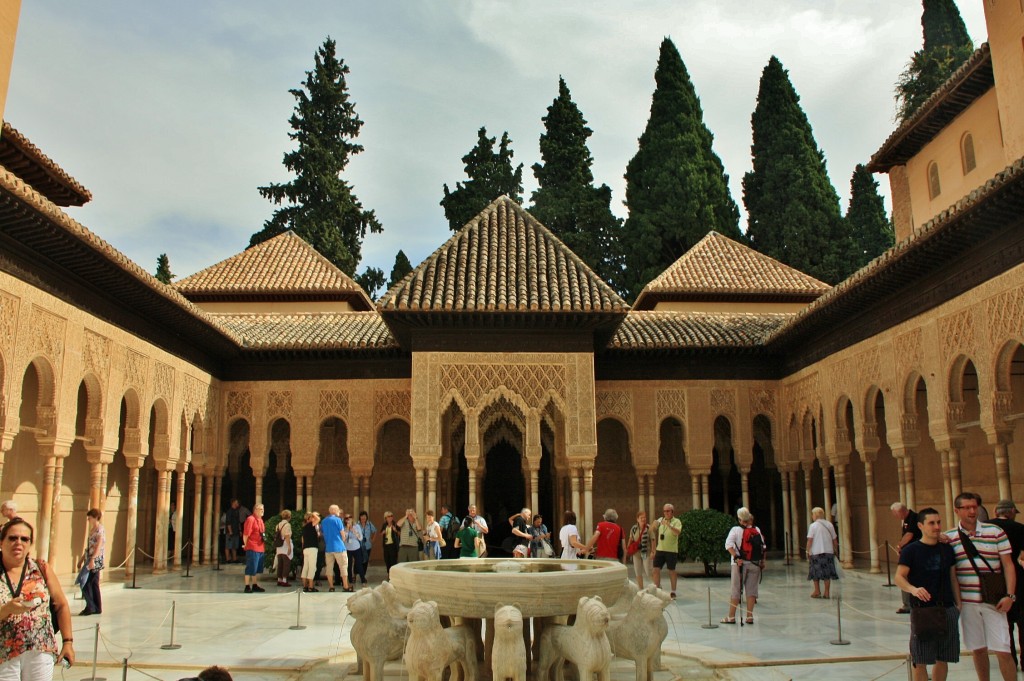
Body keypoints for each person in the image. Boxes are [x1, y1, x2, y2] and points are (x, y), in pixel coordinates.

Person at [947, 492, 1016, 681]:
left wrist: (1010, 596)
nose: (972, 511)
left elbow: (1008, 565)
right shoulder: (950, 537)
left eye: (974, 507)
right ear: (956, 510)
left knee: (1003, 650)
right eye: (967, 507)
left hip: (993, 600)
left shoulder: (995, 532)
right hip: (968, 603)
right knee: (978, 649)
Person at [0, 517, 75, 677]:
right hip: (3, 654)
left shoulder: (41, 568)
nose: (18, 543)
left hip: (40, 649)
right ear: (1, 542)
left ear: (30, 544)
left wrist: (68, 642)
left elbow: (61, 605)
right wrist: (7, 609)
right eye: (12, 538)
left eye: (24, 539)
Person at [895, 507, 961, 681]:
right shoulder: (911, 550)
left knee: (943, 658)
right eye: (931, 523)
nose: (937, 527)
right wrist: (913, 589)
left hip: (947, 608)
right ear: (920, 526)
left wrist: (958, 605)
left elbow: (953, 577)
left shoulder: (947, 549)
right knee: (920, 659)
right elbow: (899, 577)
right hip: (923, 610)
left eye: (938, 522)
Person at [989, 500, 1024, 669]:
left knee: (1003, 621)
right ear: (1011, 512)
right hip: (1018, 576)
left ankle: (1010, 661)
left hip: (993, 577)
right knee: (1022, 619)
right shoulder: (1020, 528)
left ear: (996, 511)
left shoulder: (986, 527)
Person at [722, 507, 765, 624]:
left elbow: (728, 545)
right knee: (752, 590)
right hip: (755, 563)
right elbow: (763, 546)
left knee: (736, 590)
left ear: (740, 519)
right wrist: (762, 561)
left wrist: (736, 557)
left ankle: (731, 617)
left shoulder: (735, 530)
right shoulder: (756, 529)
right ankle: (749, 616)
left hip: (739, 564)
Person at [893, 502, 922, 614]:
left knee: (905, 577)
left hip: (914, 554)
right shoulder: (906, 519)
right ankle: (907, 604)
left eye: (895, 514)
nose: (895, 516)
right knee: (904, 577)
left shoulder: (913, 517)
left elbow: (909, 535)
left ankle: (909, 605)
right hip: (908, 553)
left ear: (901, 511)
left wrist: (899, 546)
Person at [806, 506, 839, 599]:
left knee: (815, 572)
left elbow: (810, 540)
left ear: (815, 515)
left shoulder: (813, 526)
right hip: (828, 552)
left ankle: (817, 591)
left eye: (812, 514)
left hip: (816, 552)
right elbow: (834, 539)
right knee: (827, 573)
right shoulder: (829, 524)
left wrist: (807, 550)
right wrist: (836, 550)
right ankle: (827, 592)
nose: (812, 516)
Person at [651, 503, 682, 599]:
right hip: (660, 549)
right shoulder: (661, 520)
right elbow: (651, 531)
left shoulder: (676, 521)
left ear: (672, 512)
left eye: (668, 511)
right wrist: (653, 525)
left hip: (671, 550)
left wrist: (670, 526)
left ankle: (673, 591)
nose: (666, 513)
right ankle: (657, 590)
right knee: (655, 569)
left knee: (671, 571)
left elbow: (678, 532)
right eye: (664, 511)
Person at [78, 508, 105, 615]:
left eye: (90, 517)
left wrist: (92, 560)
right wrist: (81, 559)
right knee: (93, 583)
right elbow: (89, 547)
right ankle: (96, 607)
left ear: (95, 517)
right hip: (90, 558)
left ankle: (91, 607)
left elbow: (98, 546)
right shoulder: (93, 529)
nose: (88, 519)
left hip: (95, 559)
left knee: (85, 582)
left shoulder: (100, 530)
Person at [321, 505, 351, 592]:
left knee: (329, 568)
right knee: (343, 566)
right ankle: (345, 586)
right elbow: (342, 533)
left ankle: (331, 586)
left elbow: (323, 533)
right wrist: (343, 539)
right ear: (335, 511)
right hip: (339, 547)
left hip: (328, 548)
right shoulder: (338, 520)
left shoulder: (324, 521)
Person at [242, 504, 266, 593]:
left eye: (263, 509)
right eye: (260, 509)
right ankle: (247, 586)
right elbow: (246, 534)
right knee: (250, 567)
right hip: (252, 547)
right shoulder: (250, 519)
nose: (262, 511)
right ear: (255, 510)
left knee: (256, 568)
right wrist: (246, 545)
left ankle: (255, 585)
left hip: (260, 547)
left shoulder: (260, 520)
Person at [627, 511, 651, 588]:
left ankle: (656, 586)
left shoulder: (648, 528)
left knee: (648, 571)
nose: (643, 519)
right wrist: (628, 549)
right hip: (636, 553)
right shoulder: (634, 528)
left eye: (644, 517)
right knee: (638, 572)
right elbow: (630, 539)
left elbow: (653, 540)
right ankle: (641, 589)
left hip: (645, 552)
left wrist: (653, 551)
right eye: (641, 518)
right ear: (637, 519)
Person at [300, 512, 320, 593]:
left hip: (306, 548)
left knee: (306, 567)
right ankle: (311, 586)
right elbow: (318, 519)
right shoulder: (311, 524)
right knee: (312, 567)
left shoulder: (304, 527)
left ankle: (305, 586)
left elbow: (302, 540)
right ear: (310, 518)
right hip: (312, 548)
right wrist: (313, 514)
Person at [343, 515, 363, 587]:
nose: (348, 520)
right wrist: (347, 529)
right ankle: (350, 580)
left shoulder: (357, 526)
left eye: (350, 518)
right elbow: (344, 538)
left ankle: (363, 579)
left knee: (359, 564)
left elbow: (360, 538)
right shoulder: (344, 528)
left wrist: (353, 530)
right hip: (347, 548)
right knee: (349, 565)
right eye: (346, 519)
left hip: (356, 547)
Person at [225, 499, 247, 564]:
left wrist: (240, 530)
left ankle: (234, 558)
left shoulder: (237, 511)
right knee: (228, 545)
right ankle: (228, 559)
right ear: (233, 503)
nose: (238, 504)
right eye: (237, 502)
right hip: (230, 531)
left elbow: (238, 522)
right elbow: (228, 522)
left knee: (235, 546)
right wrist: (230, 531)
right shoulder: (229, 512)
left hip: (236, 531)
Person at [274, 510, 293, 587]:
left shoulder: (278, 525)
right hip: (285, 545)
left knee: (280, 563)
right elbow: (287, 536)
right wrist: (289, 547)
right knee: (286, 563)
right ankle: (284, 580)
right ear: (289, 516)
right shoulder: (287, 525)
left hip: (279, 546)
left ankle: (279, 579)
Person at [357, 511, 376, 584]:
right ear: (360, 517)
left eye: (364, 516)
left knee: (365, 561)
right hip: (359, 546)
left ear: (366, 517)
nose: (363, 517)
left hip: (367, 546)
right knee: (359, 561)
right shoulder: (357, 525)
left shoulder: (369, 524)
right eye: (362, 516)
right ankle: (357, 575)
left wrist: (373, 539)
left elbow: (375, 531)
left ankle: (363, 575)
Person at [381, 511, 399, 579]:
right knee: (387, 560)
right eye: (389, 516)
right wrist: (383, 532)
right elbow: (381, 533)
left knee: (393, 560)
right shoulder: (384, 525)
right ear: (386, 518)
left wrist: (395, 530)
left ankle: (393, 574)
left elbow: (399, 533)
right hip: (386, 545)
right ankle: (389, 573)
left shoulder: (395, 524)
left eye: (391, 516)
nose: (391, 517)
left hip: (393, 545)